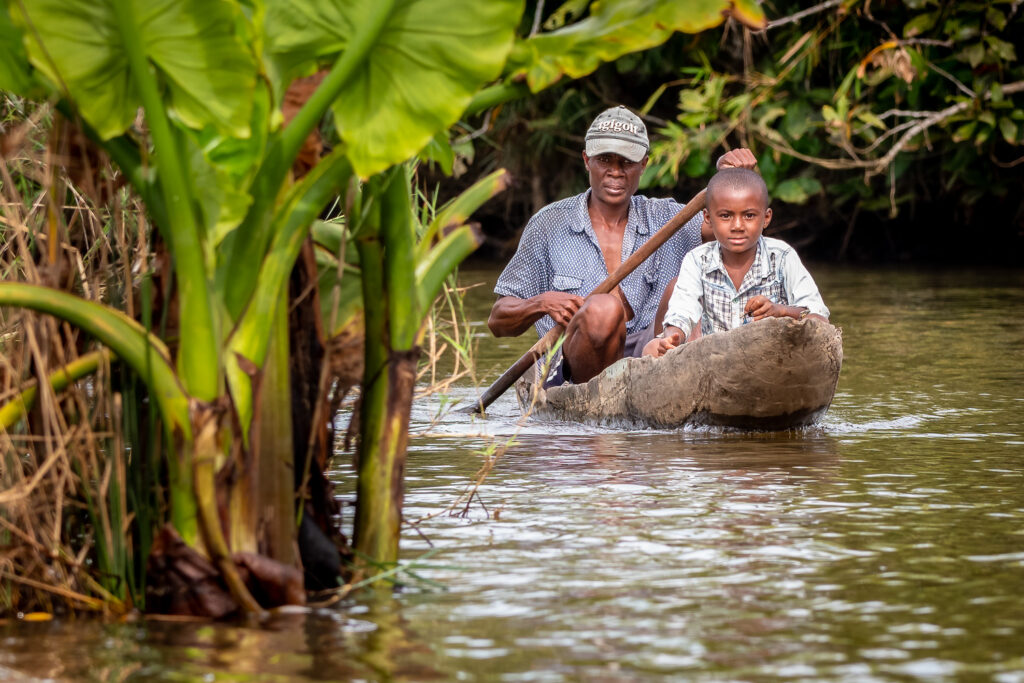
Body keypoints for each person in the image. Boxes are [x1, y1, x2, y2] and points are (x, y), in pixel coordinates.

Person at [488, 105, 756, 386]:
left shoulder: (669, 218)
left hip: (651, 362)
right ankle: (600, 412)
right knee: (603, 309)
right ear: (586, 161)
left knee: (684, 285)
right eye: (605, 160)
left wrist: (730, 180)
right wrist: (540, 303)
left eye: (626, 162)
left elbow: (733, 228)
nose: (615, 172)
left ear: (643, 165)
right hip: (574, 373)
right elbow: (498, 321)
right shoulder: (548, 224)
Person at [642, 167, 829, 358]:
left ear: (766, 218)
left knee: (817, 328)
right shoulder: (698, 260)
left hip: (773, 359)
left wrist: (780, 311)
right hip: (714, 362)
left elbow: (817, 316)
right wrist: (672, 337)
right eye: (725, 216)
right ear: (708, 218)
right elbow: (682, 313)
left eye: (749, 216)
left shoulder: (782, 256)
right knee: (652, 348)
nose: (737, 226)